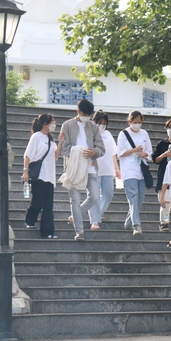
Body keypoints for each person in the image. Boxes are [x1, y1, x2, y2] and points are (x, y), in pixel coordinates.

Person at [59, 98, 106, 241]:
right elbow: (64, 148)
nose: (87, 117)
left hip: (90, 167)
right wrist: (78, 151)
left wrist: (94, 153)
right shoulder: (67, 125)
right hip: (73, 167)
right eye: (84, 113)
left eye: (89, 115)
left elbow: (101, 148)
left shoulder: (93, 126)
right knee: (74, 199)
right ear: (78, 111)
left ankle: (76, 215)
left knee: (95, 197)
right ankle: (79, 231)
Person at [22, 114, 63, 238]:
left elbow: (55, 156)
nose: (54, 124)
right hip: (39, 175)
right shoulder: (36, 137)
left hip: (50, 176)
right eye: (52, 122)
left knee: (48, 206)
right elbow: (27, 155)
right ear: (46, 123)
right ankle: (30, 220)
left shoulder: (50, 139)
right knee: (38, 201)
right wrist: (25, 171)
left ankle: (48, 232)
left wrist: (60, 142)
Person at [117, 110, 153, 236]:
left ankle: (128, 221)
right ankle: (136, 225)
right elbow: (120, 152)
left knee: (140, 199)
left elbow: (149, 150)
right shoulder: (123, 134)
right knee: (133, 197)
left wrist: (144, 153)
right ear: (130, 121)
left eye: (139, 122)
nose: (137, 124)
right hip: (129, 170)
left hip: (141, 169)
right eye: (135, 122)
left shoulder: (144, 133)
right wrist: (134, 150)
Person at [87, 110, 120, 230]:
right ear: (93, 121)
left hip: (108, 169)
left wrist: (117, 168)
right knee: (94, 195)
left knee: (108, 193)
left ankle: (97, 213)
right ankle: (94, 221)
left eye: (104, 123)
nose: (102, 125)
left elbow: (113, 153)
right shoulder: (88, 133)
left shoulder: (108, 134)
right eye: (99, 123)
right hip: (92, 168)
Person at [152, 118, 171, 232]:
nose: (170, 130)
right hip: (164, 176)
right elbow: (155, 159)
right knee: (164, 202)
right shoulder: (162, 143)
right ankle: (164, 223)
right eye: (168, 127)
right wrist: (164, 155)